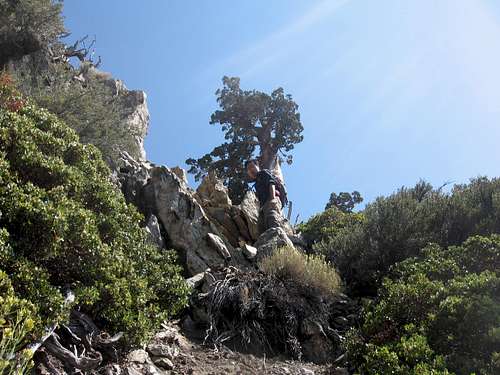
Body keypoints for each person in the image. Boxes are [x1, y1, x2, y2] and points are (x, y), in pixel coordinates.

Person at [245, 159, 284, 231]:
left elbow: (271, 183)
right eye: (248, 169)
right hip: (264, 205)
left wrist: (273, 199)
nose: (250, 170)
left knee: (272, 216)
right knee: (266, 222)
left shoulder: (263, 173)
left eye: (251, 166)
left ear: (257, 166)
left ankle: (277, 235)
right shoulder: (256, 183)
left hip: (271, 200)